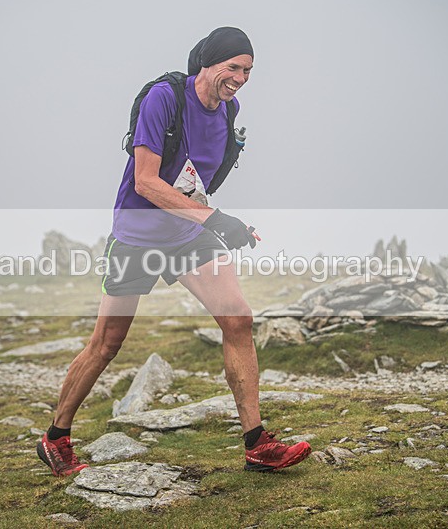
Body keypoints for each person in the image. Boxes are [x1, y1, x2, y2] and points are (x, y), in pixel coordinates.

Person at [37, 26, 311, 477]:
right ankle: (55, 438)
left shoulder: (228, 111)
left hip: (186, 233)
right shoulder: (164, 98)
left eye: (248, 71)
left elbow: (196, 181)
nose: (240, 79)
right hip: (137, 235)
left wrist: (227, 225)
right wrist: (215, 219)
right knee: (106, 344)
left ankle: (257, 444)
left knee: (238, 319)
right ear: (208, 63)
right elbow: (146, 181)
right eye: (233, 67)